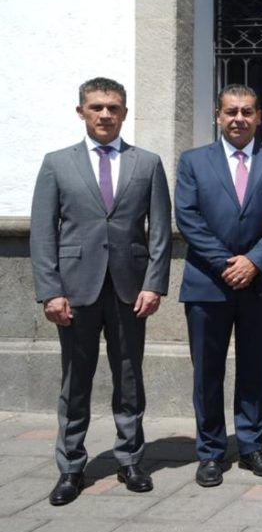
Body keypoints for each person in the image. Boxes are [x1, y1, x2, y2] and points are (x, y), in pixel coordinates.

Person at [30, 77, 172, 505]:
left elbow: (160, 231)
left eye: (113, 107)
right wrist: (50, 291)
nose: (105, 115)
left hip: (130, 290)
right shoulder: (57, 163)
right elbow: (42, 233)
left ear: (125, 113)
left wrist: (154, 283)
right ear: (81, 112)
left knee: (130, 377)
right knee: (76, 379)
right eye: (96, 107)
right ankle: (71, 466)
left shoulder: (146, 163)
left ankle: (130, 458)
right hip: (75, 291)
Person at [174, 84, 262, 486]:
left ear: (259, 116)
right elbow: (188, 217)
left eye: (247, 111)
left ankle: (251, 446)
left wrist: (254, 261)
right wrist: (227, 263)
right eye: (231, 112)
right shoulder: (193, 161)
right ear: (218, 116)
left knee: (255, 369)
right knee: (207, 372)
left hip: (260, 283)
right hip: (208, 283)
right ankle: (210, 452)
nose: (239, 119)